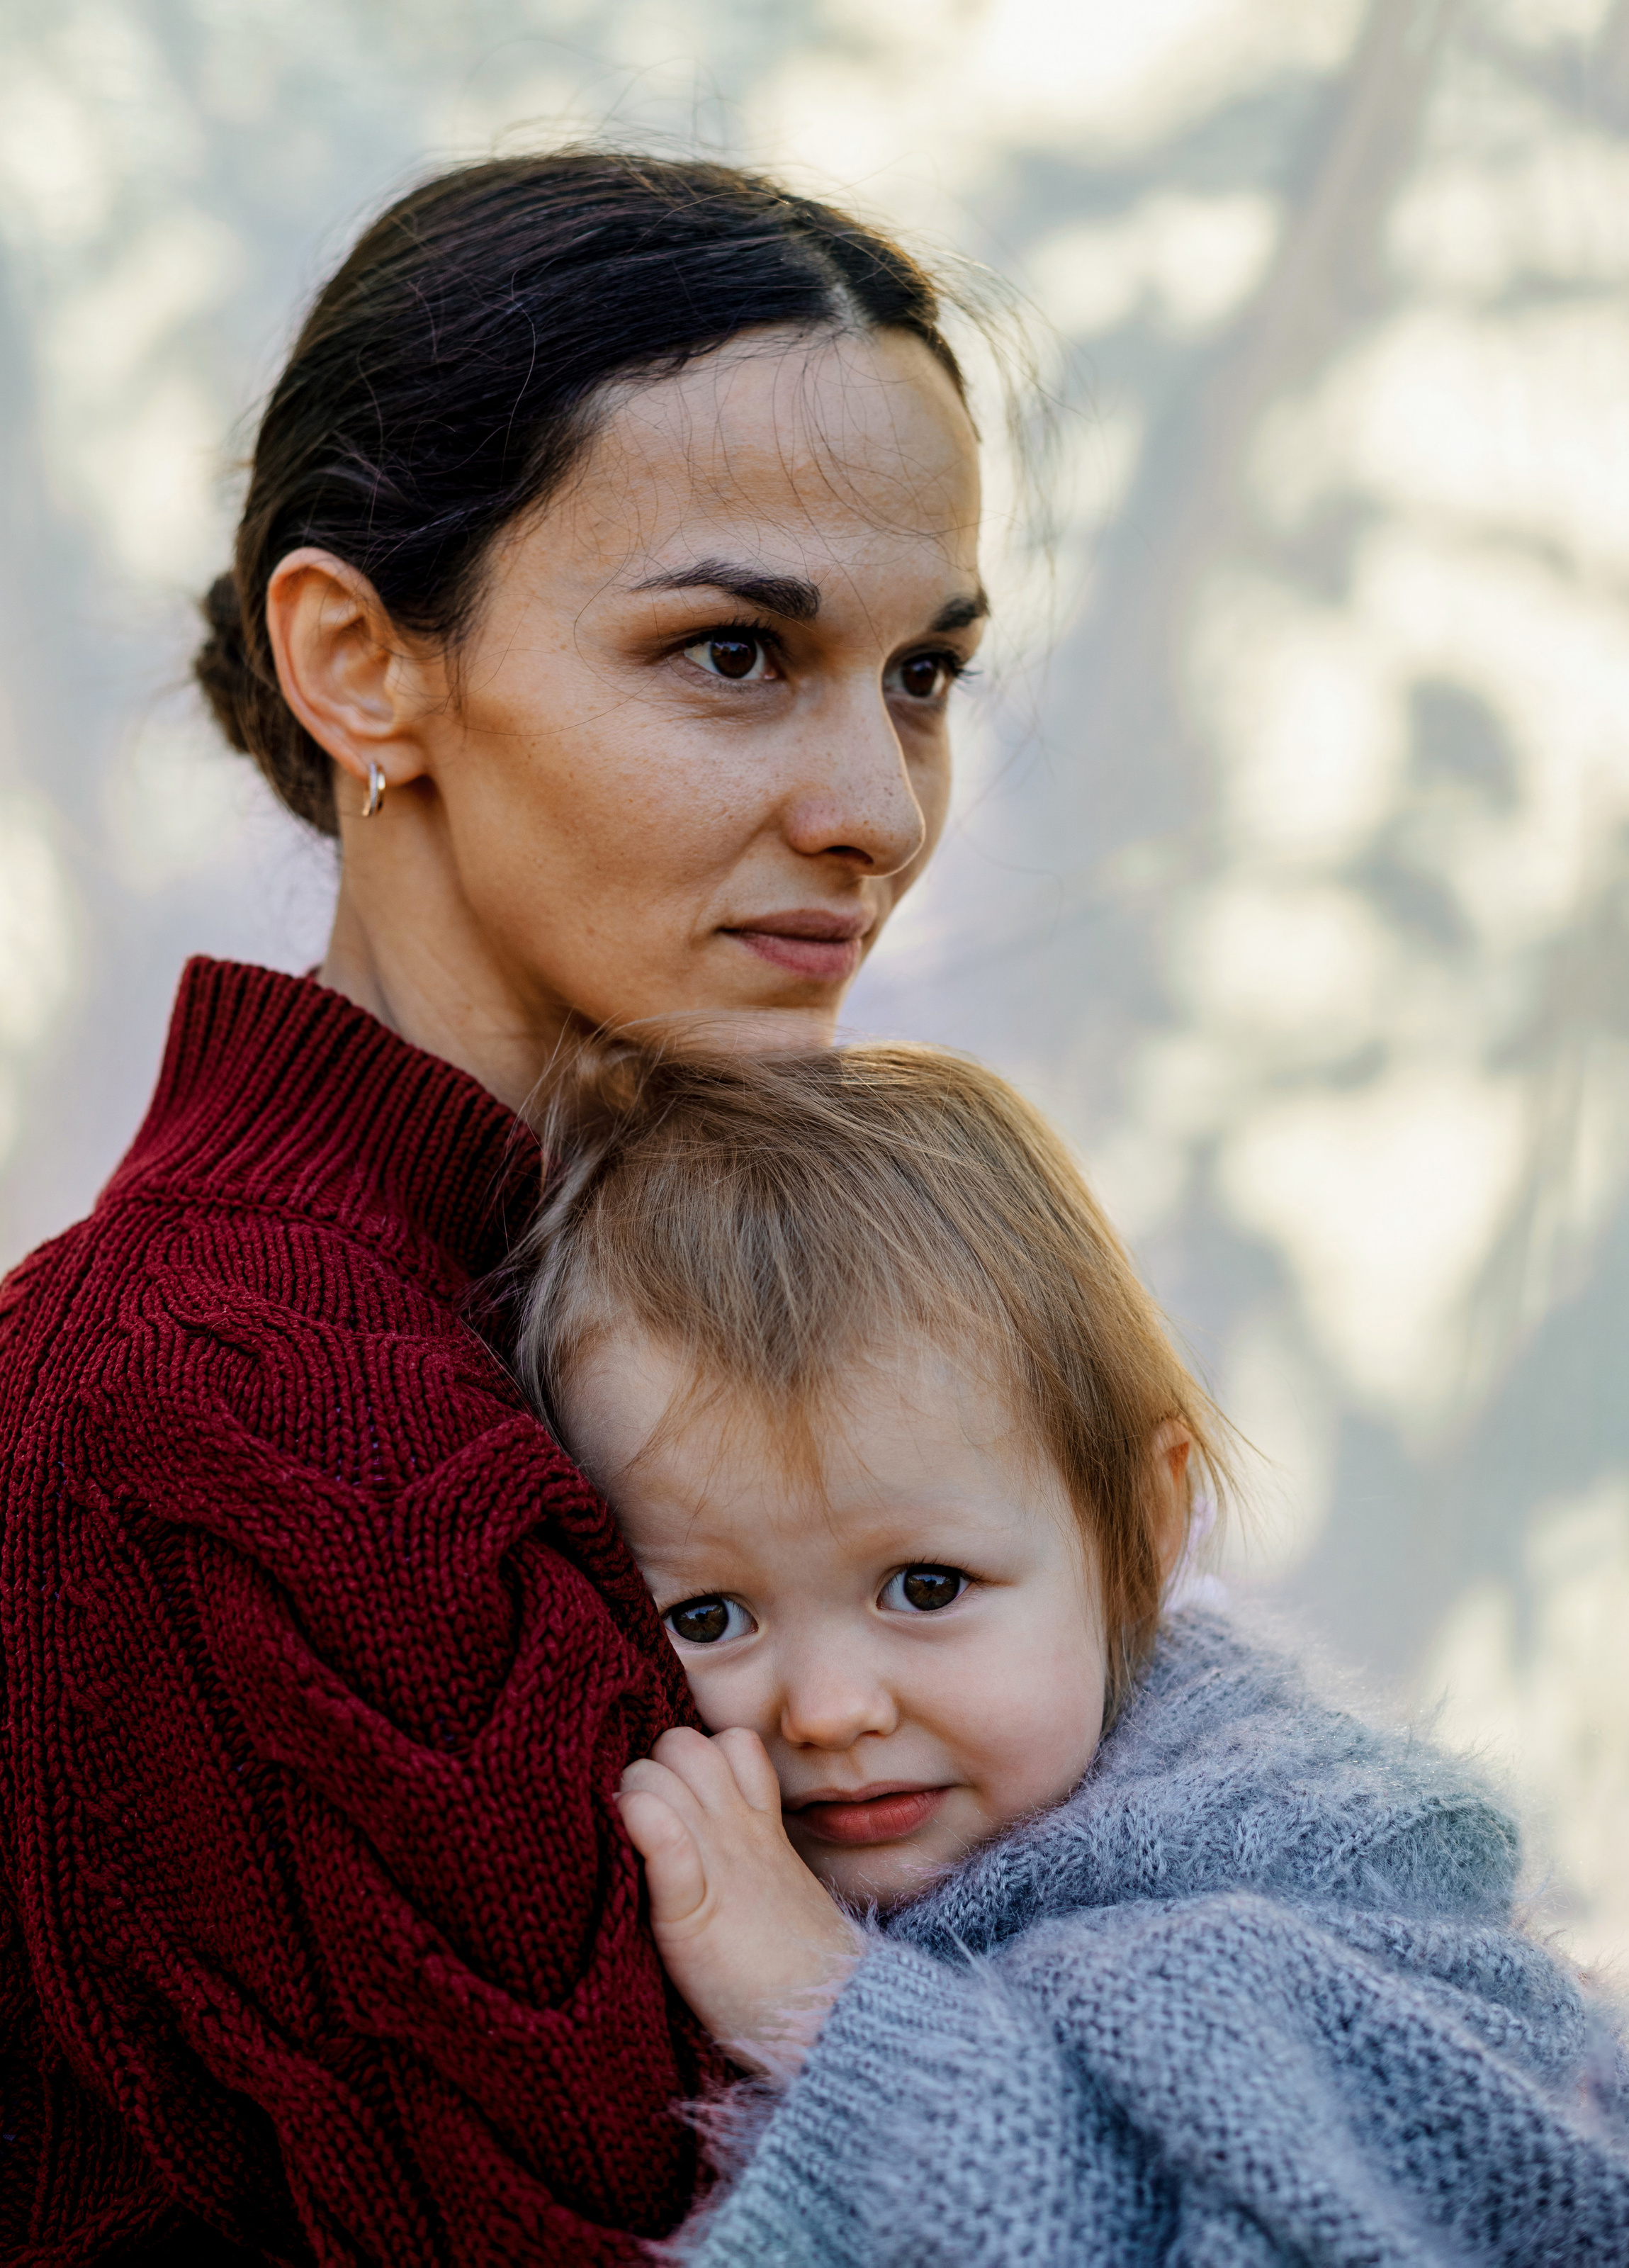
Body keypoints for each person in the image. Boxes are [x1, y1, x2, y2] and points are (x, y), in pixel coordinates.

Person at [0, 152, 987, 2261]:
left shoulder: (634, 1320)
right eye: (736, 652)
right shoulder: (228, 1418)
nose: (877, 810)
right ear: (362, 662)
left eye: (926, 676)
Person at [507, 1038, 1629, 2267]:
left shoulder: (1288, 1870)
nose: (830, 1711)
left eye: (928, 1585)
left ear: (1144, 1523)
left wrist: (831, 2015)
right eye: (710, 1617)